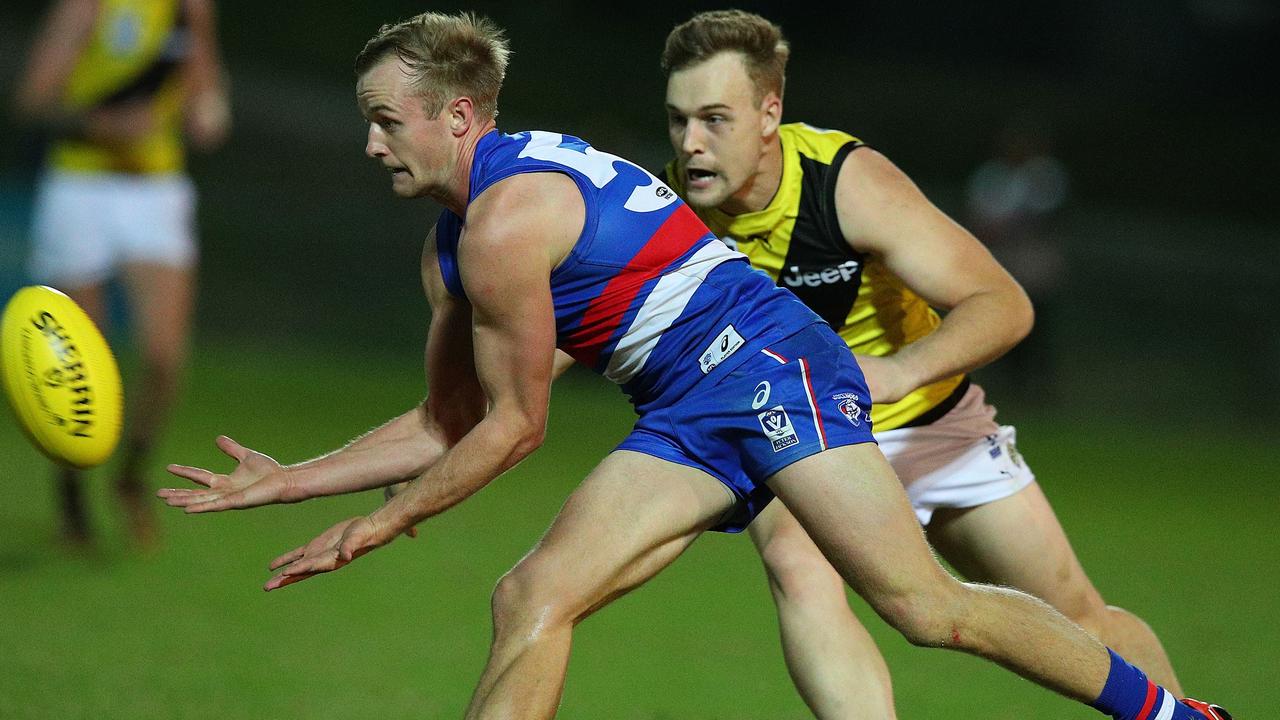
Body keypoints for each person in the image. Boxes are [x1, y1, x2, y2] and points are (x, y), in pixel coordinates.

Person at [156, 12, 1227, 720]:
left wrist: (385, 520)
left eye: (386, 123)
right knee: (531, 594)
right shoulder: (465, 235)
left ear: (457, 116)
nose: (372, 145)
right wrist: (292, 480)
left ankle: (1176, 716)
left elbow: (516, 428)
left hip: (767, 371)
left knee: (923, 609)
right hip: (690, 404)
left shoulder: (503, 224)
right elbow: (449, 418)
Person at [657, 10, 1197, 719]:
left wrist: (899, 372)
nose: (691, 144)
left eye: (714, 119)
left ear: (769, 112)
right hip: (811, 435)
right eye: (678, 120)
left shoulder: (844, 184)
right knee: (797, 567)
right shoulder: (667, 211)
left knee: (1079, 618)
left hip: (933, 421)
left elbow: (1003, 304)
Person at [13, 0, 230, 547]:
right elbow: (32, 100)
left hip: (155, 191)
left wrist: (209, 111)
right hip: (79, 188)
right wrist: (98, 123)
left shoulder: (190, 9)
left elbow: (204, 87)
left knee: (164, 356)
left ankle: (131, 473)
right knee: (85, 360)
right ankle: (71, 489)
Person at [965, 114, 1070, 403]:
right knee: (997, 319)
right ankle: (1002, 385)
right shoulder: (991, 175)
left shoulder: (1045, 174)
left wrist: (1009, 225)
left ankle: (1038, 388)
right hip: (999, 258)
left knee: (1037, 323)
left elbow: (1047, 216)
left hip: (1033, 258)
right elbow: (977, 216)